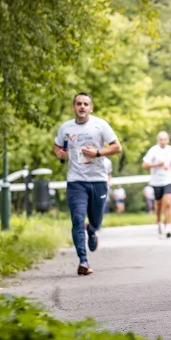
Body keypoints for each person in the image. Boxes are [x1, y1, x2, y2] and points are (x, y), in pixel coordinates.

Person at [54, 92, 122, 276]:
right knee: (77, 219)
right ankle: (83, 260)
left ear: (90, 108)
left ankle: (92, 231)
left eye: (85, 104)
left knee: (95, 220)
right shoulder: (66, 128)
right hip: (76, 181)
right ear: (74, 107)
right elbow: (57, 145)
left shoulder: (100, 125)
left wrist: (98, 153)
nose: (82, 106)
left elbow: (117, 147)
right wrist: (59, 153)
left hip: (98, 180)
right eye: (78, 103)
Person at [142, 131, 171, 238]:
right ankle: (159, 221)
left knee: (168, 202)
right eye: (161, 139)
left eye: (165, 139)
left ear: (168, 140)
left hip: (168, 179)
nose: (163, 141)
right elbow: (144, 165)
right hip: (156, 180)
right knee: (158, 205)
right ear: (158, 140)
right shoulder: (153, 150)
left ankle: (168, 226)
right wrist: (158, 164)